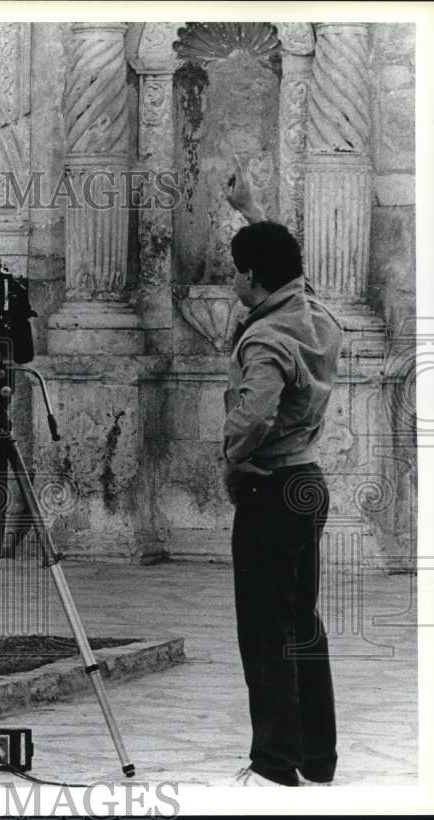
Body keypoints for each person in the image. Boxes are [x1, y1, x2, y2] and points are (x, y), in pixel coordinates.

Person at [223, 157, 342, 787]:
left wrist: (230, 457)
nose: (233, 285)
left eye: (237, 275)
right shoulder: (312, 316)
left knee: (264, 631)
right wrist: (255, 213)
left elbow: (255, 414)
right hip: (309, 481)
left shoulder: (268, 337)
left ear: (249, 277)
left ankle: (274, 761)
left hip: (270, 487)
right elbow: (289, 271)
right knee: (302, 624)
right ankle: (317, 757)